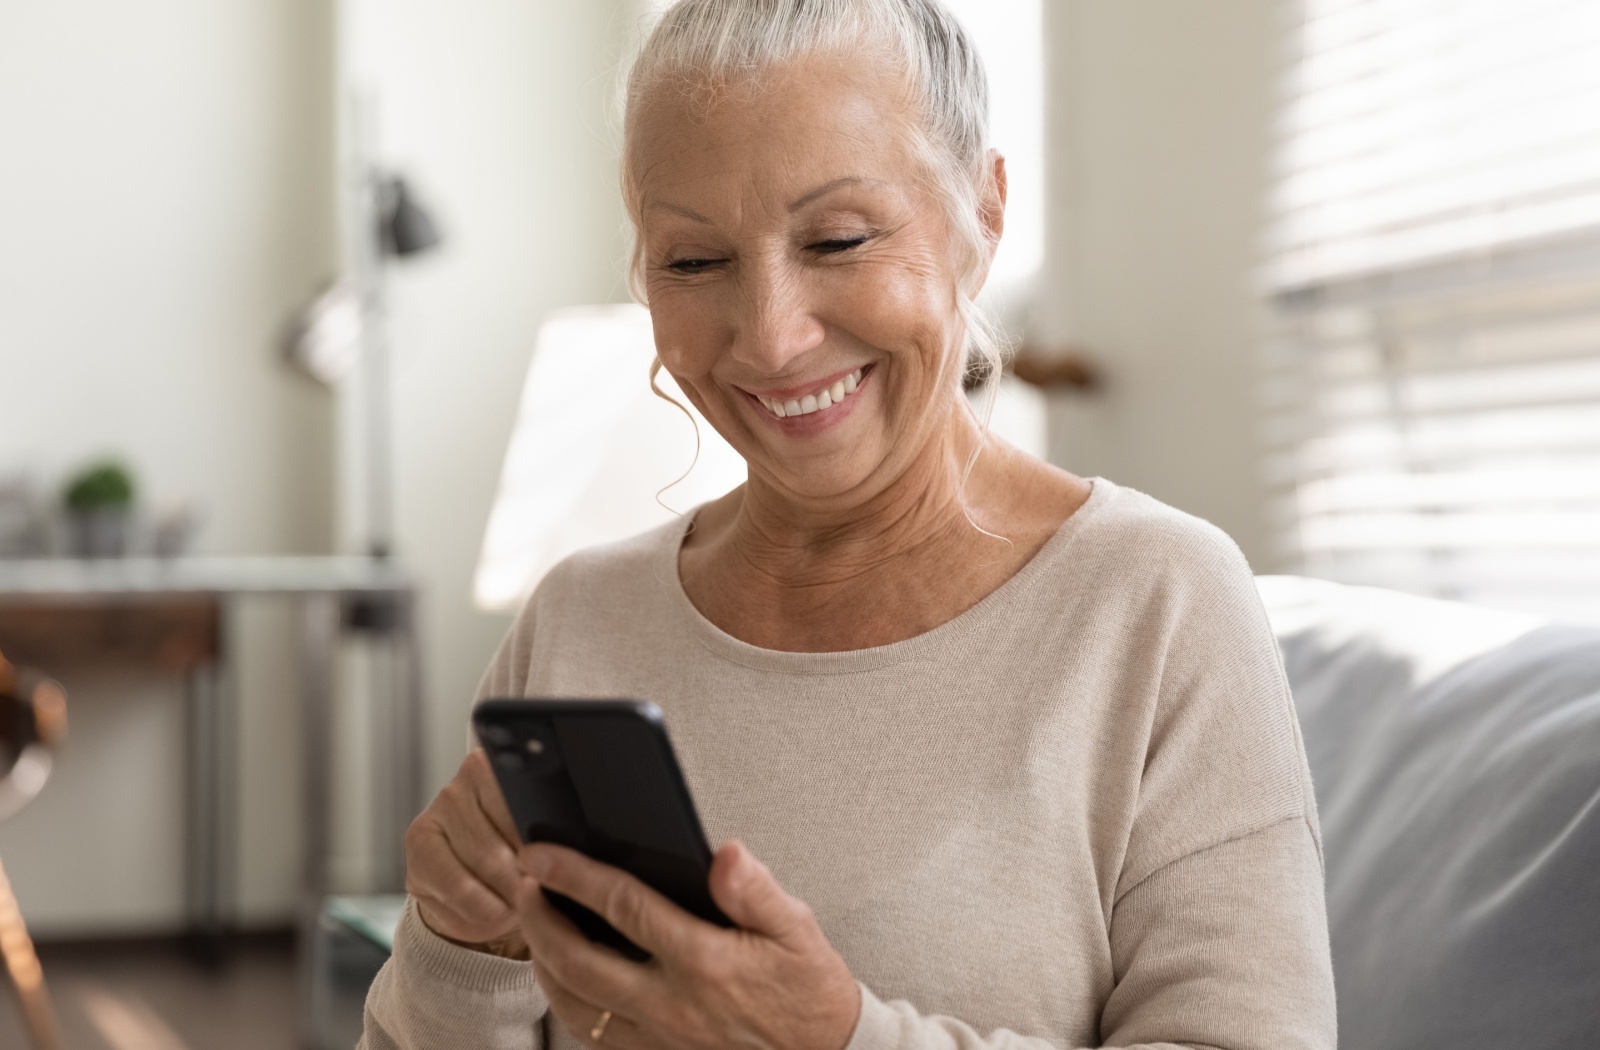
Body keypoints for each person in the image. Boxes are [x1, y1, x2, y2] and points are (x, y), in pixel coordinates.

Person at [359, 1, 1337, 1047]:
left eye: (838, 238)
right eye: (693, 262)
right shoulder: (580, 619)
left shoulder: (1156, 601)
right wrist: (463, 955)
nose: (772, 339)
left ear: (984, 211)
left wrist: (834, 1037)